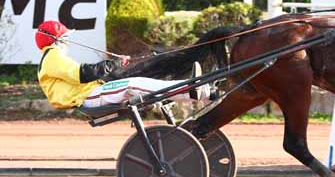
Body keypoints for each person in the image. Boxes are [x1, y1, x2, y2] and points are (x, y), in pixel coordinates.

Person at [35, 20, 210, 110]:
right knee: (133, 84)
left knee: (137, 81)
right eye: (65, 37)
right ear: (56, 40)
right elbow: (85, 74)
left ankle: (198, 91)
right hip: (87, 98)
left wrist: (114, 64)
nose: (68, 41)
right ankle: (190, 91)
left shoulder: (53, 57)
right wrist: (115, 63)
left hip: (90, 94)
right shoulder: (52, 56)